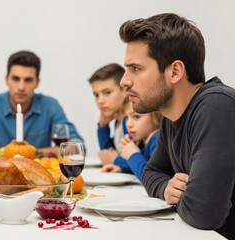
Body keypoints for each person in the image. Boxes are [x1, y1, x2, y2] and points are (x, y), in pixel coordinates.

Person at [119, 13, 235, 239]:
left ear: (174, 71)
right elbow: (152, 172)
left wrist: (186, 197)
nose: (124, 81)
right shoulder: (171, 116)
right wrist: (165, 188)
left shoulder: (217, 106)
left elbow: (203, 213)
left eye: (136, 68)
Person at [0, 50, 84, 158]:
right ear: (6, 79)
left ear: (37, 82)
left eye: (28, 80)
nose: (21, 87)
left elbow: (77, 146)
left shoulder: (50, 106)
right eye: (15, 79)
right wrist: (46, 151)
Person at [102, 101, 162, 181]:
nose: (128, 124)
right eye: (126, 118)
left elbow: (151, 177)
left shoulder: (157, 139)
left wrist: (133, 154)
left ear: (156, 117)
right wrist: (122, 168)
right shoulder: (144, 141)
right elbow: (145, 166)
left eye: (136, 117)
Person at [87, 63, 130, 172]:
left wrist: (115, 160)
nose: (100, 101)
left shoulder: (131, 122)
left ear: (125, 90)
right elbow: (107, 155)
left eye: (107, 92)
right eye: (96, 95)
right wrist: (103, 126)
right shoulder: (118, 122)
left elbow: (140, 163)